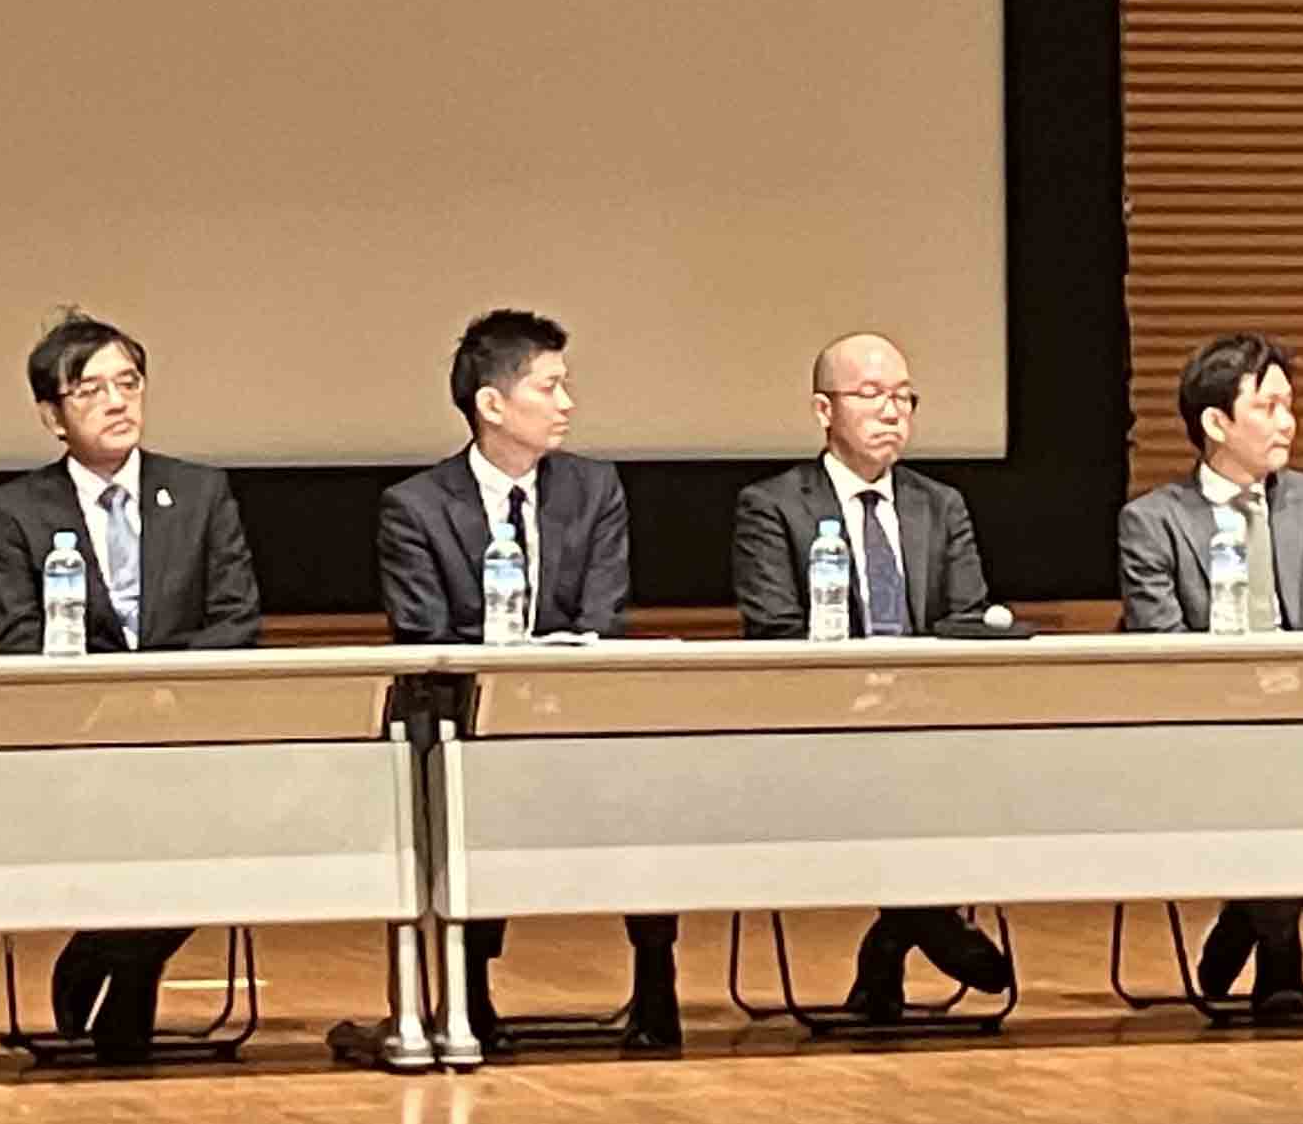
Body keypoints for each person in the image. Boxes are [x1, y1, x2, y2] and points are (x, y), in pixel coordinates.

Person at [367, 309, 681, 1057]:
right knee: (466, 777)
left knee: (651, 778)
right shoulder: (415, 506)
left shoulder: (593, 488)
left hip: (577, 711)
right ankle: (467, 993)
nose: (566, 402)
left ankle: (656, 983)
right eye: (548, 386)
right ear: (492, 403)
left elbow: (603, 612)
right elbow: (424, 633)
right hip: (468, 722)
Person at [0, 313, 263, 1061]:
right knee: (146, 814)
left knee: (233, 823)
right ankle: (123, 974)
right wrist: (115, 696)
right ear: (52, 415)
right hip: (74, 737)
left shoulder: (198, 492)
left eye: (128, 384)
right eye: (90, 389)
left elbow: (237, 618)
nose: (116, 401)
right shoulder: (14, 510)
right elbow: (14, 636)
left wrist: (162, 684)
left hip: (188, 730)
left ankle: (110, 953)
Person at [728, 331, 1014, 1019]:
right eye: (870, 394)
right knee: (891, 777)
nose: (891, 411)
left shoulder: (939, 505)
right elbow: (774, 630)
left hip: (926, 721)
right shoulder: (772, 506)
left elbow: (965, 620)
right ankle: (927, 921)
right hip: (819, 722)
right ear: (823, 410)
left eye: (903, 397)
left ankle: (896, 933)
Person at [1116, 331, 1303, 1017]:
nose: (1287, 423)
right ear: (1216, 423)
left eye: (1289, 405)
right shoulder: (1153, 521)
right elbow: (1161, 650)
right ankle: (1280, 953)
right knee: (1270, 781)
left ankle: (1246, 917)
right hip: (1201, 732)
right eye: (1267, 407)